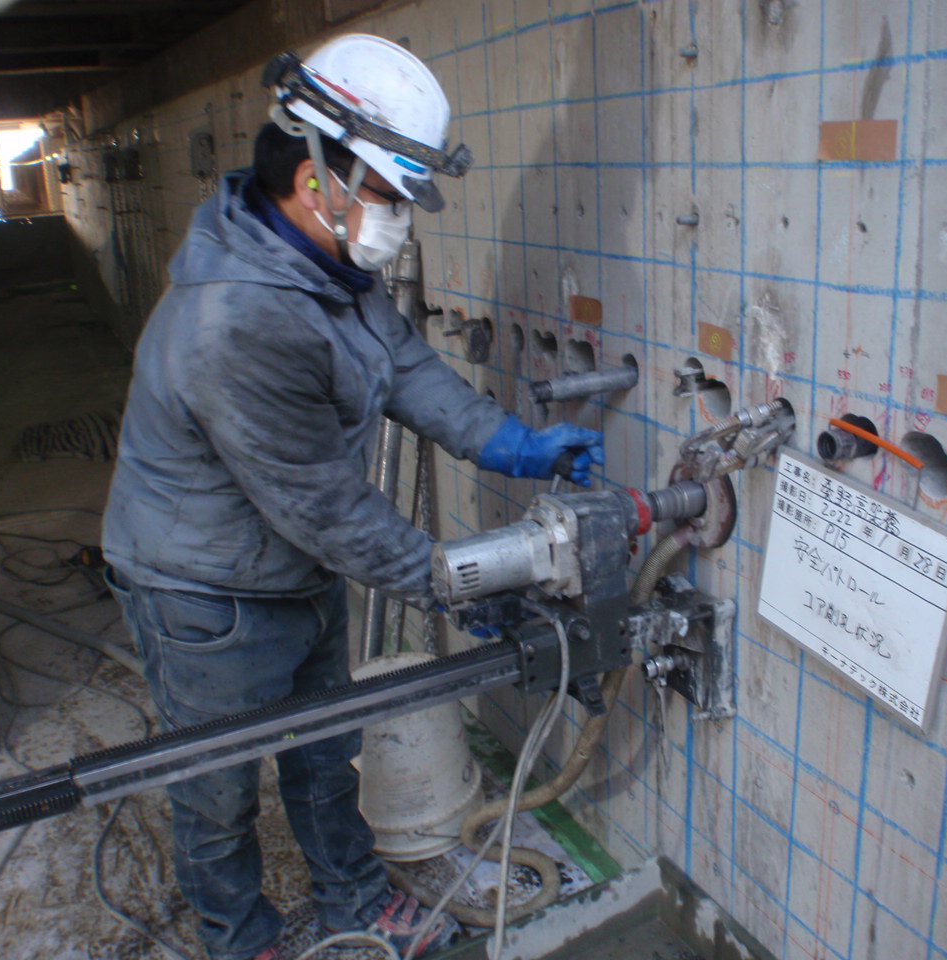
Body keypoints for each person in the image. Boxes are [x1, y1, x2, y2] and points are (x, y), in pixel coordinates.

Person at [100, 34, 603, 960]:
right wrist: (450, 581)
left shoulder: (327, 263)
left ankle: (354, 903)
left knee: (326, 749)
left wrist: (509, 443)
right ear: (316, 177)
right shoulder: (237, 320)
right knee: (215, 788)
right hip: (203, 592)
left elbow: (405, 368)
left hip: (292, 563)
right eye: (391, 195)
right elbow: (328, 509)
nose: (400, 219)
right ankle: (240, 938)